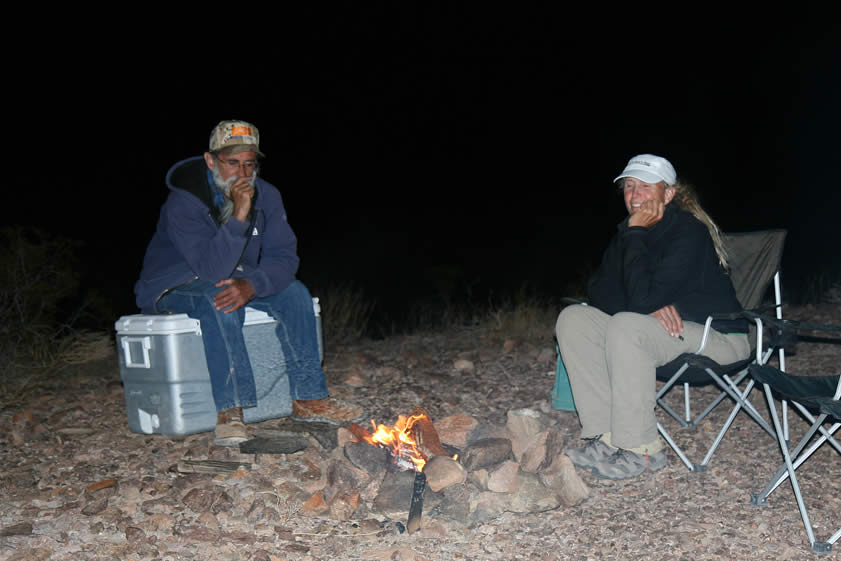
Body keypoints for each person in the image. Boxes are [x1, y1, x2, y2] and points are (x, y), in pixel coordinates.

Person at [134, 120, 364, 446]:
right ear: (211, 161)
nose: (242, 174)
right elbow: (212, 270)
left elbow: (285, 258)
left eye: (249, 164)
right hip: (176, 281)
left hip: (235, 275)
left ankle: (309, 398)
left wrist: (254, 284)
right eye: (232, 163)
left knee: (295, 293)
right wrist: (240, 214)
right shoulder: (185, 202)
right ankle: (231, 409)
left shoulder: (268, 195)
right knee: (222, 298)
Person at [555, 154, 749, 480]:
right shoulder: (629, 233)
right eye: (629, 187)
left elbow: (641, 298)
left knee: (628, 325)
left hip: (718, 337)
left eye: (645, 186)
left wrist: (643, 297)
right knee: (574, 318)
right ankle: (606, 437)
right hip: (661, 332)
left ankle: (642, 451)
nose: (634, 195)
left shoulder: (687, 231)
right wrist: (647, 301)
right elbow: (599, 293)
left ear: (668, 194)